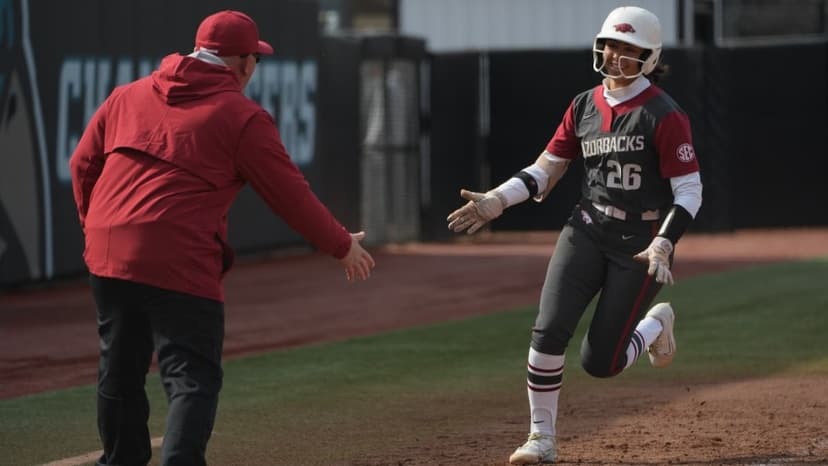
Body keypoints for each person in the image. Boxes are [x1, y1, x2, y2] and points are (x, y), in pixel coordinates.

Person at [69, 10, 375, 466]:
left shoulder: (126, 96)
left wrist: (98, 229)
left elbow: (81, 166)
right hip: (178, 258)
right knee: (191, 378)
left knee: (119, 372)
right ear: (245, 63)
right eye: (256, 59)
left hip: (108, 251)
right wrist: (341, 244)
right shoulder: (242, 117)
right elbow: (290, 195)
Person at [447, 6, 702, 464]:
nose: (616, 56)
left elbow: (690, 189)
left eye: (629, 50)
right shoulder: (584, 104)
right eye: (611, 46)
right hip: (586, 228)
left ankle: (654, 324)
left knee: (600, 363)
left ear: (649, 56)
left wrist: (665, 240)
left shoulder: (664, 114)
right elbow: (545, 170)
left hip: (640, 243)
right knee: (547, 331)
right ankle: (540, 439)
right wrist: (497, 200)